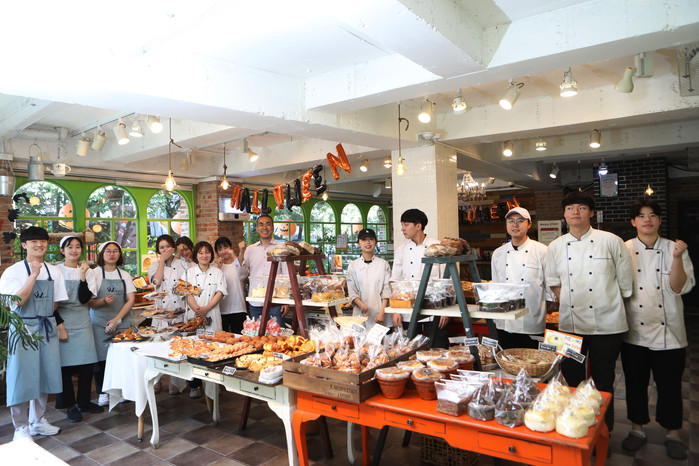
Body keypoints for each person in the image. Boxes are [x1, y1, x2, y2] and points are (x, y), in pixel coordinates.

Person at [545, 191, 632, 432]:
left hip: (608, 324)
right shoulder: (555, 246)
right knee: (571, 378)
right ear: (564, 214)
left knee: (603, 379)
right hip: (569, 325)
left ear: (591, 213)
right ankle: (573, 427)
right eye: (570, 208)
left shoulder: (611, 240)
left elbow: (625, 283)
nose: (576, 212)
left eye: (582, 207)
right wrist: (571, 300)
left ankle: (603, 431)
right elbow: (554, 283)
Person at [620, 199, 695, 460]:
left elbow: (678, 287)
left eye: (652, 215)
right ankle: (637, 429)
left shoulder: (675, 248)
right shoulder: (624, 249)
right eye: (641, 216)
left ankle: (673, 433)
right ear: (633, 222)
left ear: (660, 220)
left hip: (669, 333)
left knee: (670, 385)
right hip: (634, 331)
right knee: (635, 384)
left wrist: (677, 258)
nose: (647, 220)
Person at [0, 226, 68, 441]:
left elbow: (55, 303)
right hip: (22, 328)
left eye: (43, 241)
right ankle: (20, 428)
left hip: (46, 327)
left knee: (45, 374)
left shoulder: (55, 272)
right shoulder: (13, 272)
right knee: (21, 376)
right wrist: (34, 275)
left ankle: (37, 421)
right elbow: (16, 302)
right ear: (24, 245)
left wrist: (43, 316)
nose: (39, 245)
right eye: (34, 242)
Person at [55, 236, 103, 422]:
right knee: (64, 366)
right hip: (62, 321)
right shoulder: (56, 271)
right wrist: (59, 326)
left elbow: (84, 299)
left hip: (82, 321)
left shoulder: (88, 272)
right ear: (62, 250)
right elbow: (52, 303)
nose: (74, 250)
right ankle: (70, 405)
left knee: (87, 364)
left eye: (77, 247)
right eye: (69, 247)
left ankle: (84, 402)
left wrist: (82, 275)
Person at [490, 207, 549, 349]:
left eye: (520, 221)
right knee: (506, 359)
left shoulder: (542, 251)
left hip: (531, 318)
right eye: (511, 221)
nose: (515, 225)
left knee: (532, 359)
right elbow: (496, 286)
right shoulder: (498, 253)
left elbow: (549, 284)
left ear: (529, 224)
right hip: (505, 320)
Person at [390, 208, 448, 348]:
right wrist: (396, 310)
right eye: (402, 225)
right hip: (408, 309)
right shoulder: (401, 250)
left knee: (438, 348)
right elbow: (396, 281)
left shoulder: (438, 247)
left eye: (406, 224)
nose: (402, 228)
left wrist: (446, 311)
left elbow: (446, 281)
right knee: (409, 349)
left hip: (434, 309)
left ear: (418, 226)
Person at [89, 241, 137, 407]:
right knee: (101, 359)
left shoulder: (124, 275)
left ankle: (122, 390)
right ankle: (103, 392)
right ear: (102, 254)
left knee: (122, 358)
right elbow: (89, 302)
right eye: (108, 251)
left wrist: (117, 319)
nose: (112, 254)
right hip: (99, 323)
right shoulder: (94, 273)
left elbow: (130, 300)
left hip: (121, 322)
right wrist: (102, 301)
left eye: (115, 251)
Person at [183, 241, 227, 398]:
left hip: (212, 314)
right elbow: (186, 293)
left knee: (213, 349)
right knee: (194, 349)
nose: (204, 255)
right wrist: (198, 311)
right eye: (200, 252)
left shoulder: (217, 272)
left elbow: (220, 292)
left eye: (207, 252)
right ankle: (194, 385)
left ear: (211, 255)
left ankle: (214, 384)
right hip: (194, 316)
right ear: (196, 255)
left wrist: (206, 308)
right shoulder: (188, 273)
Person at [147, 234, 191, 395]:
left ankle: (176, 382)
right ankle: (156, 379)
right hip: (161, 312)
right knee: (158, 346)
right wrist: (161, 261)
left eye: (167, 246)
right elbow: (157, 282)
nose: (165, 250)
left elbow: (188, 284)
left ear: (173, 247)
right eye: (161, 247)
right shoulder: (153, 265)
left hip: (179, 311)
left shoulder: (183, 264)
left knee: (177, 347)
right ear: (158, 250)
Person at [239, 214, 289, 328]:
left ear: (273, 227)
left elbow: (286, 275)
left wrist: (286, 300)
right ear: (257, 228)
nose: (264, 227)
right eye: (261, 224)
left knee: (277, 334)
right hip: (255, 301)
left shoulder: (281, 248)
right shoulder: (250, 250)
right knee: (257, 333)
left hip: (276, 300)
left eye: (268, 224)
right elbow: (241, 275)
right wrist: (241, 253)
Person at [346, 228, 392, 329]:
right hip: (360, 316)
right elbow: (352, 292)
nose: (368, 242)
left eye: (371, 239)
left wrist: (382, 313)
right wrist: (361, 305)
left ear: (375, 242)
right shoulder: (353, 266)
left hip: (381, 315)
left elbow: (387, 291)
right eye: (364, 240)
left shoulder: (383, 264)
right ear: (359, 243)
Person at [214, 236, 247, 334]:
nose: (223, 251)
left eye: (226, 247)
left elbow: (243, 274)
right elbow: (214, 286)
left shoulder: (238, 263)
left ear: (231, 247)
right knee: (223, 338)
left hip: (238, 308)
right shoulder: (217, 267)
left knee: (239, 337)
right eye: (220, 249)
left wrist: (236, 255)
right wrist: (218, 268)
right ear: (217, 252)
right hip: (221, 309)